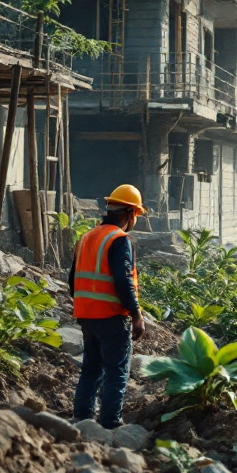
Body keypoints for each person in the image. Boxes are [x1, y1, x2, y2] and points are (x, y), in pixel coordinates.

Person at [70, 184, 147, 429]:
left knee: (91, 368)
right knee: (116, 370)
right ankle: (111, 423)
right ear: (129, 213)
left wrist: (87, 305)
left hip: (86, 315)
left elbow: (72, 279)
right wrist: (136, 315)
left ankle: (82, 417)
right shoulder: (119, 240)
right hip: (111, 316)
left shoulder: (86, 237)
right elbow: (123, 281)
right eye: (135, 215)